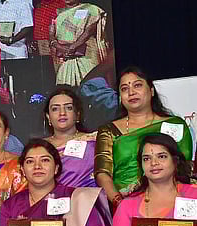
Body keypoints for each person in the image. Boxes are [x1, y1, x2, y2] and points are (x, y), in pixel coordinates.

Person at [95, 67, 193, 207]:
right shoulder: (109, 130)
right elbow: (102, 173)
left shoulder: (174, 124)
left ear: (151, 91)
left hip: (171, 200)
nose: (131, 92)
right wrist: (120, 204)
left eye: (137, 85)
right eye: (124, 89)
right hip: (124, 202)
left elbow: (183, 166)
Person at [43, 85, 100, 187]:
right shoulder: (39, 147)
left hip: (86, 196)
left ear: (77, 115)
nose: (62, 113)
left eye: (68, 108)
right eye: (55, 109)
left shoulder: (94, 141)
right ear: (48, 117)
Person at [49, 0, 107, 87]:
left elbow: (90, 30)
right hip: (65, 56)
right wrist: (59, 47)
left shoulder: (91, 9)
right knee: (66, 86)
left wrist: (73, 46)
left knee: (91, 85)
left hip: (87, 55)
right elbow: (51, 33)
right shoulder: (59, 13)